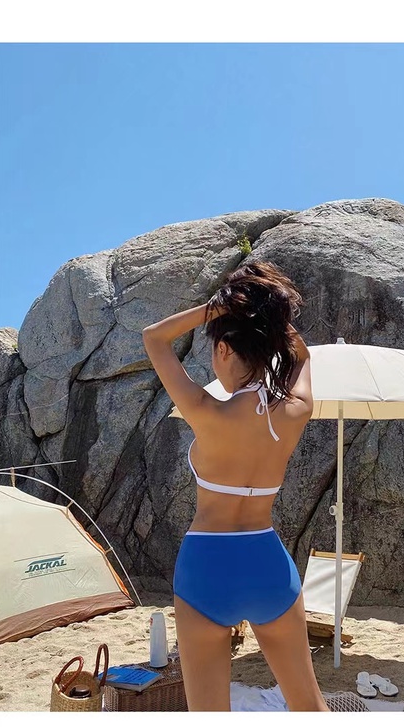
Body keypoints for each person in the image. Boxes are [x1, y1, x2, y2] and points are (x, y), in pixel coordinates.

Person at [142, 260, 329, 712]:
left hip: (207, 566)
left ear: (223, 349)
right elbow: (303, 357)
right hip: (268, 563)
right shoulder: (297, 410)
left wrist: (218, 308)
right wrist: (269, 321)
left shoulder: (206, 411)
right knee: (309, 707)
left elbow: (154, 337)